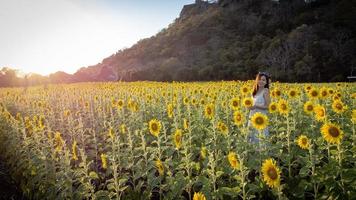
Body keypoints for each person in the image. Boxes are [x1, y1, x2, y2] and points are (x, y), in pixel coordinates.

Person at [247, 72, 271, 143]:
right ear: (257, 80)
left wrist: (256, 106)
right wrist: (249, 106)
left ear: (266, 82)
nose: (261, 81)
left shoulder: (265, 91)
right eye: (259, 79)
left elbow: (268, 106)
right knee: (252, 134)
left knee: (261, 136)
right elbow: (251, 103)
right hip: (252, 116)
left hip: (261, 117)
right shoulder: (254, 91)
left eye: (263, 80)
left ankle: (261, 152)